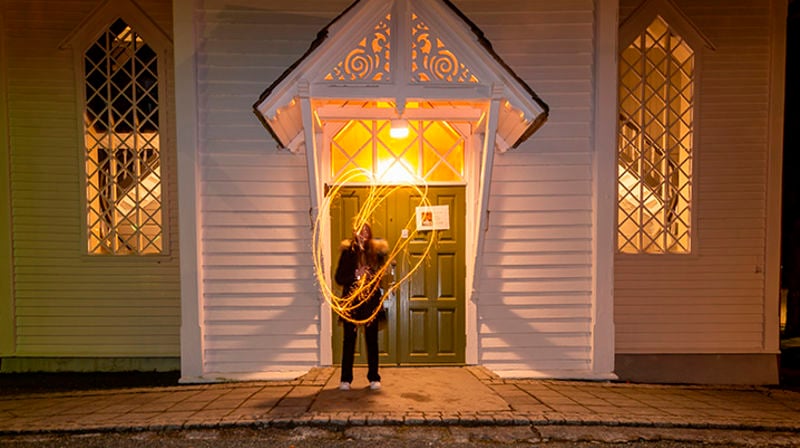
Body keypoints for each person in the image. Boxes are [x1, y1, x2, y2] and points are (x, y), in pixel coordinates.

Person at [334, 222, 390, 391]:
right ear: (355, 231)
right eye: (361, 231)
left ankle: (374, 377)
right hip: (352, 302)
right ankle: (345, 379)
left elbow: (382, 276)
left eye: (366, 231)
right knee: (349, 341)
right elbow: (339, 278)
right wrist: (355, 275)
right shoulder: (347, 252)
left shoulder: (376, 252)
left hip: (370, 302)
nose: (364, 234)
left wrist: (372, 275)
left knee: (372, 340)